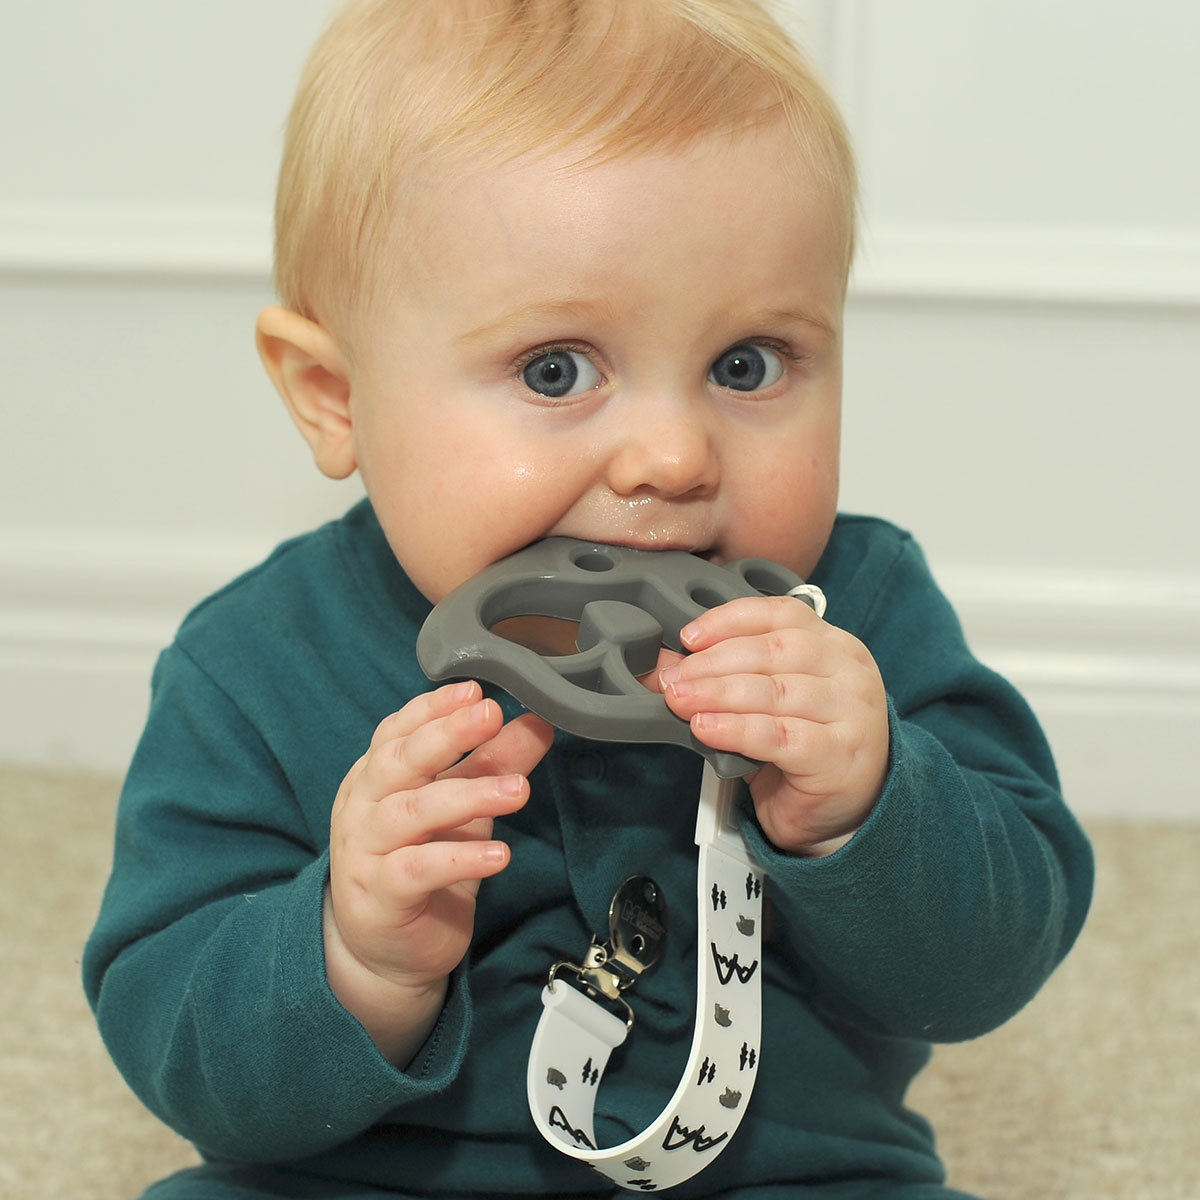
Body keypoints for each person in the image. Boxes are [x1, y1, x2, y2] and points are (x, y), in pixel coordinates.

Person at [83, 2, 1094, 1197]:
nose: (672, 455)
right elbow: (181, 1057)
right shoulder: (252, 667)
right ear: (333, 397)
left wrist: (867, 806)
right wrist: (350, 954)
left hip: (793, 1174)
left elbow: (991, 967)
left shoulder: (860, 613)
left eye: (747, 365)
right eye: (556, 370)